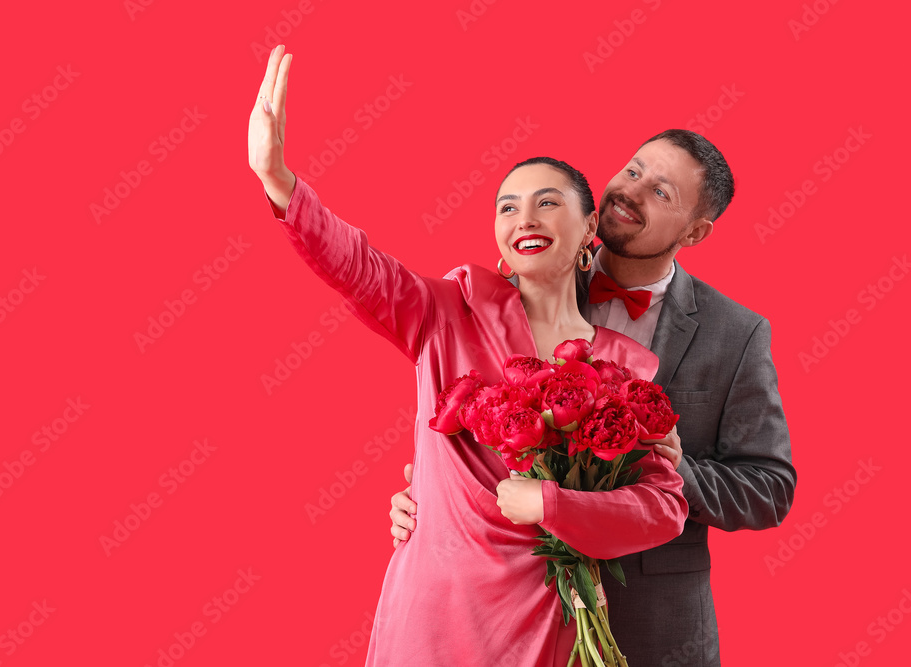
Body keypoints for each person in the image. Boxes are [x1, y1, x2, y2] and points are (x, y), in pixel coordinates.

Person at [249, 46, 688, 666]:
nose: (523, 217)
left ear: (590, 228)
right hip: (435, 613)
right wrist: (279, 180)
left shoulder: (628, 369)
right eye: (507, 207)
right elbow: (360, 269)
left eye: (547, 202)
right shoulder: (449, 310)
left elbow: (663, 507)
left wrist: (554, 505)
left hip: (550, 623)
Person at [391, 129, 797, 666]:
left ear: (696, 231)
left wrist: (675, 468)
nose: (631, 191)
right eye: (633, 170)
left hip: (655, 621)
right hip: (519, 614)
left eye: (661, 192)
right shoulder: (532, 277)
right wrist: (431, 497)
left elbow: (770, 488)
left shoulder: (736, 333)